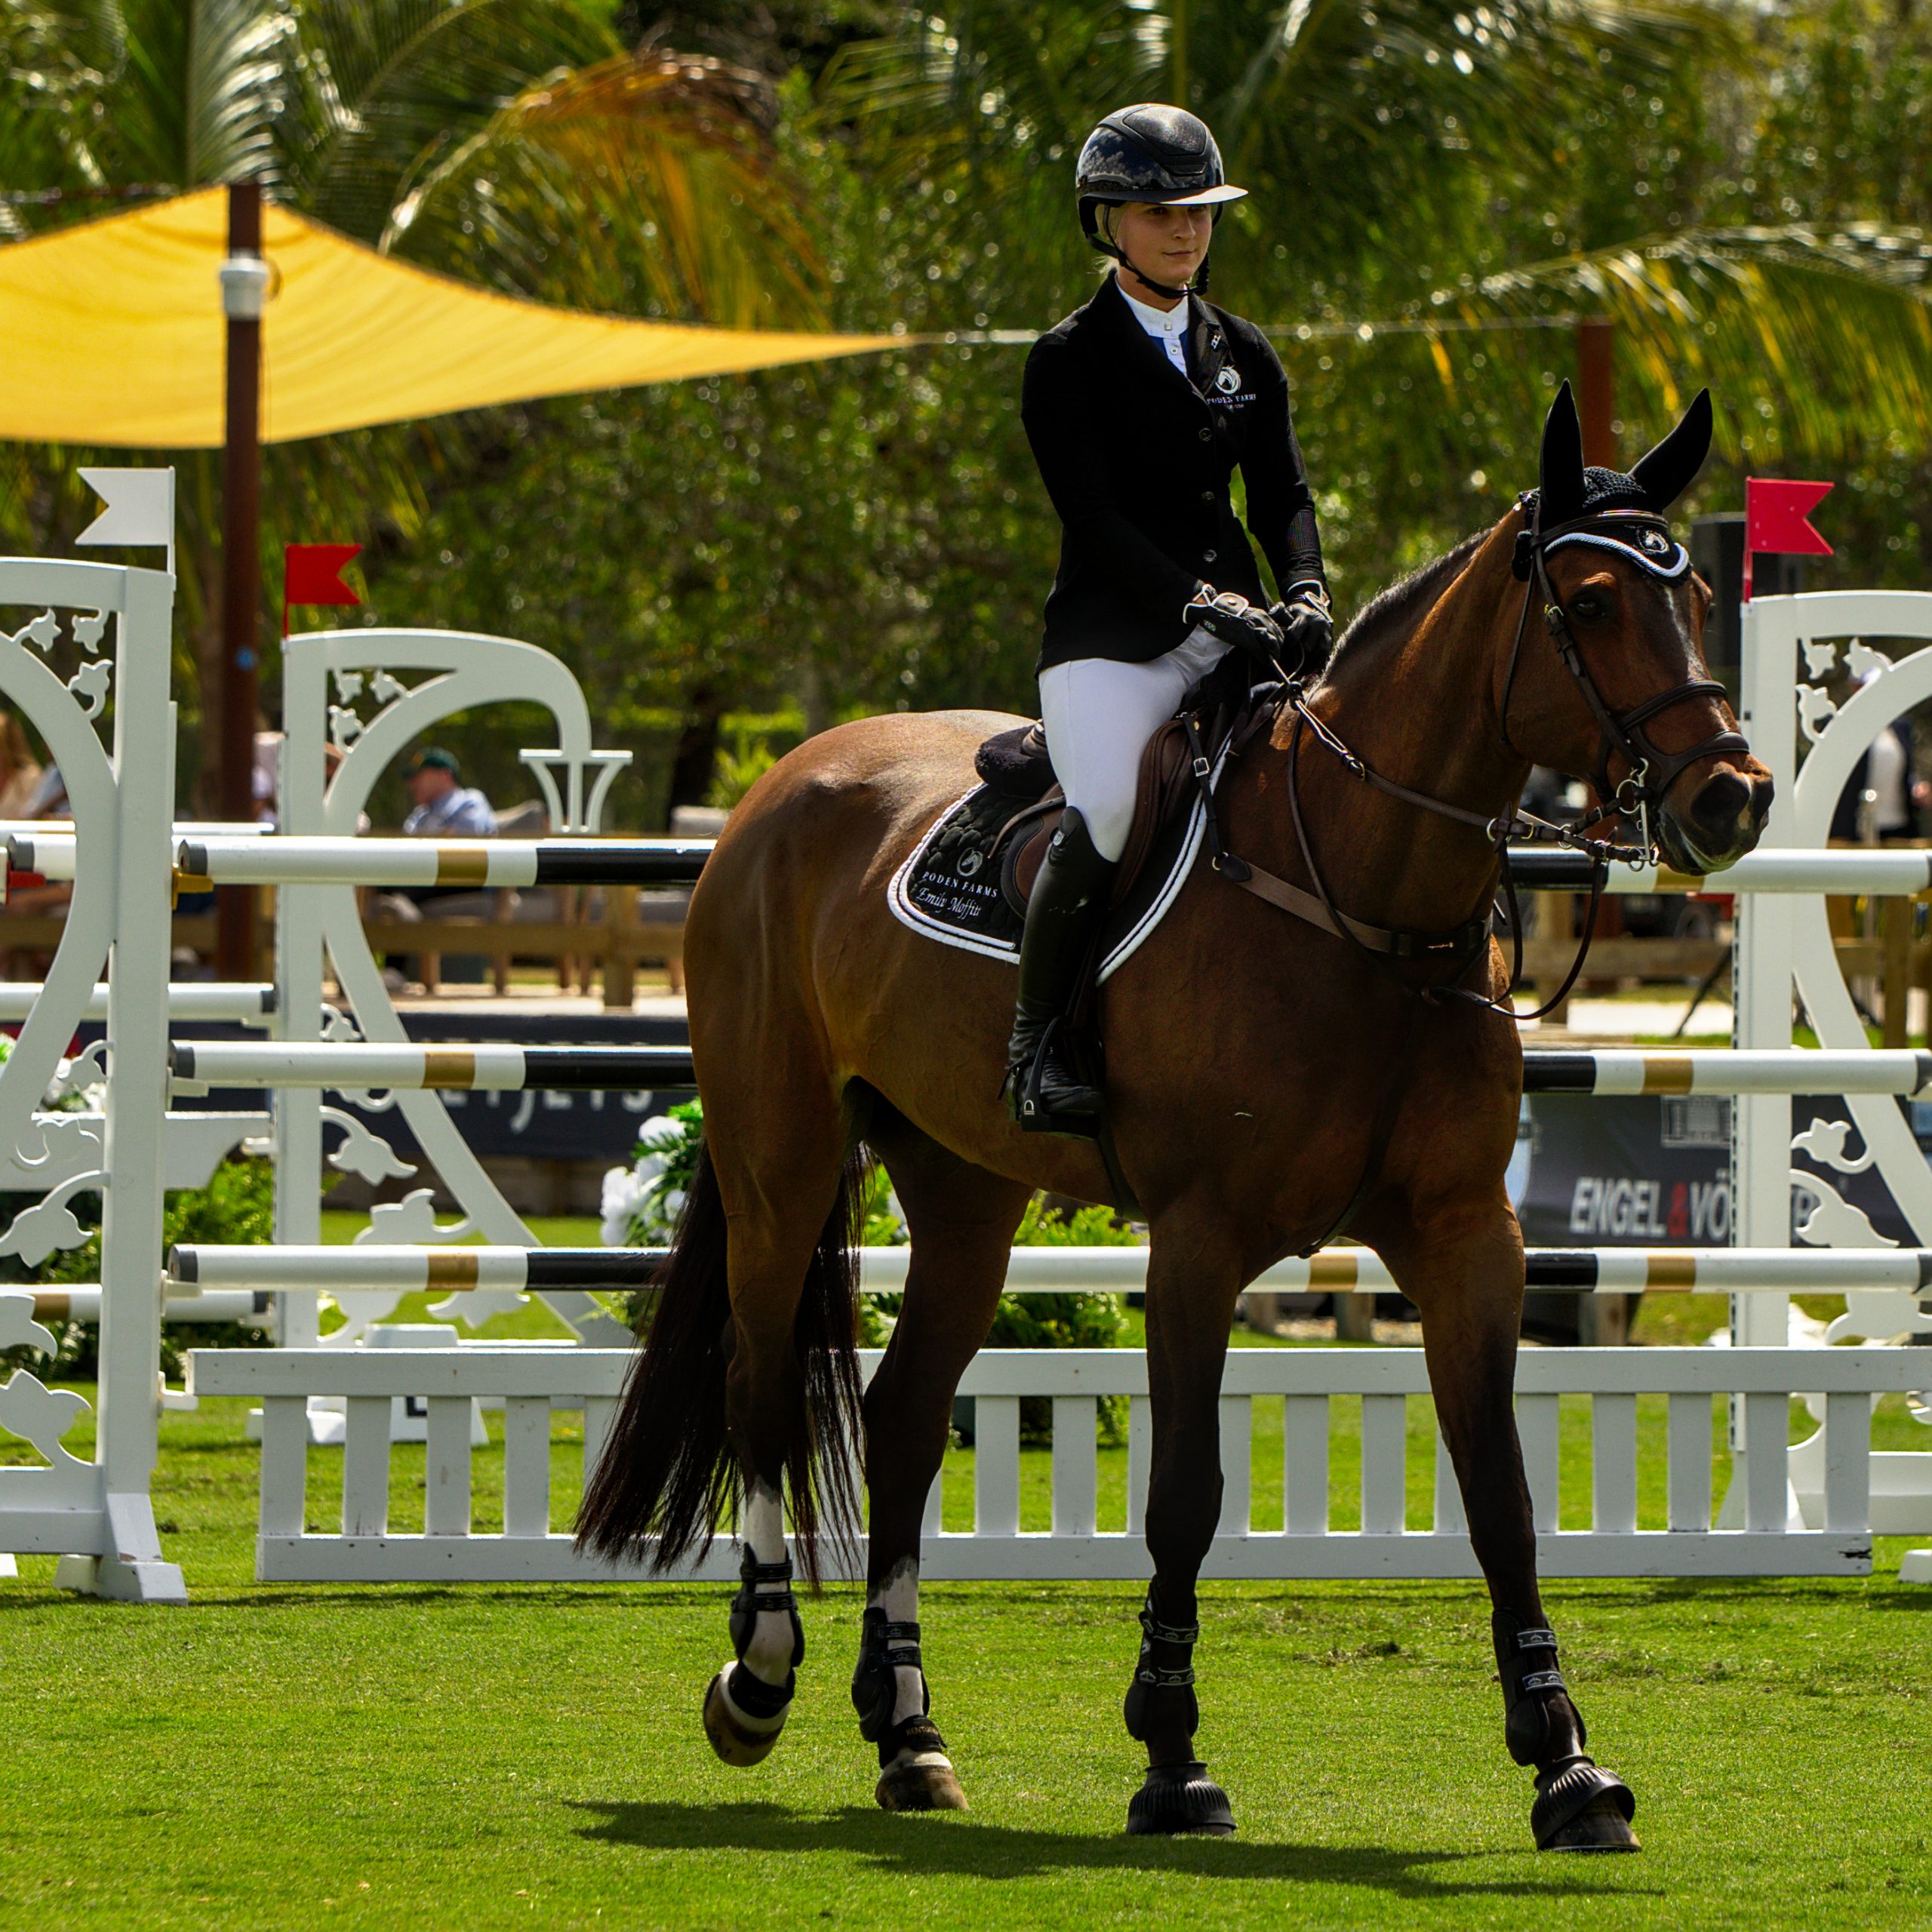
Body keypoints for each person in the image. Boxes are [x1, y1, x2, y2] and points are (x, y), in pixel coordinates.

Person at [1007, 103, 1333, 1134]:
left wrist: (1307, 588)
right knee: (1107, 810)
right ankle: (1037, 1042)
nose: (1186, 230)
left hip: (1240, 629)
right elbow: (1093, 521)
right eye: (1159, 212)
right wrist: (1201, 604)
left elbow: (1283, 494)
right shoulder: (1068, 359)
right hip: (1113, 640)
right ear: (1106, 220)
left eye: (1199, 211)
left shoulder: (1243, 350)